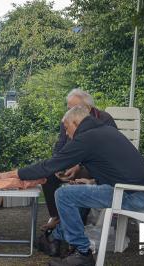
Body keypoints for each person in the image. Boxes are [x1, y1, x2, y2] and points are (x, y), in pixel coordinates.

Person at [0, 106, 144, 266]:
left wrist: (11, 174)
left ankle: (82, 253)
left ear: (76, 122)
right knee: (74, 193)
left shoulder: (86, 138)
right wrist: (92, 182)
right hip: (143, 191)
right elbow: (115, 168)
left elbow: (48, 166)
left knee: (64, 195)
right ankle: (56, 238)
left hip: (129, 195)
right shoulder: (106, 130)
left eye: (66, 127)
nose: (65, 133)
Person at [41, 88, 117, 231]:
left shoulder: (103, 119)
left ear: (87, 107)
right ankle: (56, 216)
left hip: (93, 166)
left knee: (79, 180)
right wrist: (57, 164)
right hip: (71, 161)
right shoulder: (68, 118)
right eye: (68, 107)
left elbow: (103, 152)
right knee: (49, 174)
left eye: (74, 108)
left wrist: (78, 165)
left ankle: (73, 226)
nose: (69, 111)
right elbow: (61, 144)